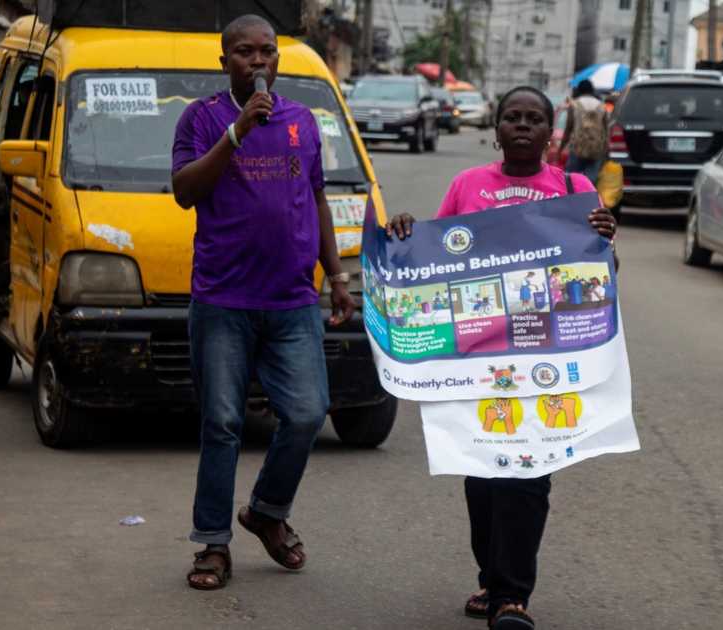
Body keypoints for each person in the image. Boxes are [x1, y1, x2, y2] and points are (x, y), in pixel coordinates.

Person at [383, 86, 619, 630]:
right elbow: (432, 255)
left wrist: (607, 239)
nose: (521, 126)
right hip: (477, 359)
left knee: (530, 473)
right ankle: (491, 579)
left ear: (549, 132)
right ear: (496, 128)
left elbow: (600, 279)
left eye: (533, 119)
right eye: (511, 116)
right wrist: (403, 233)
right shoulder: (468, 184)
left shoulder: (574, 188)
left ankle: (513, 597)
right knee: (483, 472)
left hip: (548, 360)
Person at [170, 14, 356, 590]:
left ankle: (268, 512)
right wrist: (237, 133)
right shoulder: (201, 119)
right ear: (224, 61)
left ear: (278, 60)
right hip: (224, 299)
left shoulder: (302, 121)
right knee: (222, 422)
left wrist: (337, 275)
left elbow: (318, 198)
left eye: (267, 53)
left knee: (306, 412)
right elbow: (183, 191)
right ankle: (212, 546)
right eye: (245, 53)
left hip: (292, 301)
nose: (258, 62)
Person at [561, 79, 610, 183]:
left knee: (571, 180)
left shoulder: (574, 105)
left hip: (578, 147)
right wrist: (606, 150)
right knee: (591, 181)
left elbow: (568, 129)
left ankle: (573, 198)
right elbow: (606, 130)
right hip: (596, 149)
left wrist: (561, 148)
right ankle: (588, 196)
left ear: (579, 90)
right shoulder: (601, 106)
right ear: (592, 90)